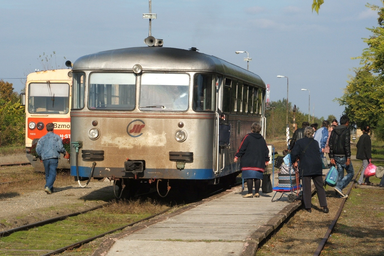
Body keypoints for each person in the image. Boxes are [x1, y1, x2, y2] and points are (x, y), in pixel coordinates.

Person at [291, 126, 329, 213]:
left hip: (306, 166)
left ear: (305, 133)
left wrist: (294, 161)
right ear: (312, 133)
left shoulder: (299, 142)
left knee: (306, 187)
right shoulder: (315, 143)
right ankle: (324, 206)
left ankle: (308, 207)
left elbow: (294, 153)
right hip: (317, 166)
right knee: (320, 187)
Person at [234, 122, 270, 198]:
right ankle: (257, 192)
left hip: (248, 161)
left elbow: (242, 148)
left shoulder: (247, 137)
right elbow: (266, 150)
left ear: (252, 129)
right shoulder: (262, 139)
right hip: (259, 161)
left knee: (249, 177)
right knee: (257, 177)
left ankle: (250, 192)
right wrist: (267, 160)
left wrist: (237, 156)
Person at [36, 123, 68, 194]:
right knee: (53, 173)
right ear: (53, 128)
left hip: (45, 158)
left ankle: (50, 189)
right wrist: (64, 152)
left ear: (46, 129)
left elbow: (38, 149)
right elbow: (60, 147)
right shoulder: (56, 137)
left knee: (47, 173)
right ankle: (47, 186)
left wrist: (40, 155)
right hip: (53, 157)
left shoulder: (42, 138)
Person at [329, 115, 354, 198]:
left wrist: (331, 157)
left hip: (336, 156)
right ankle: (339, 187)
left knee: (340, 174)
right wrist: (348, 157)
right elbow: (347, 145)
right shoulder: (346, 130)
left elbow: (331, 144)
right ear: (347, 123)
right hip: (343, 156)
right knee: (350, 172)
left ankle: (338, 193)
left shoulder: (334, 131)